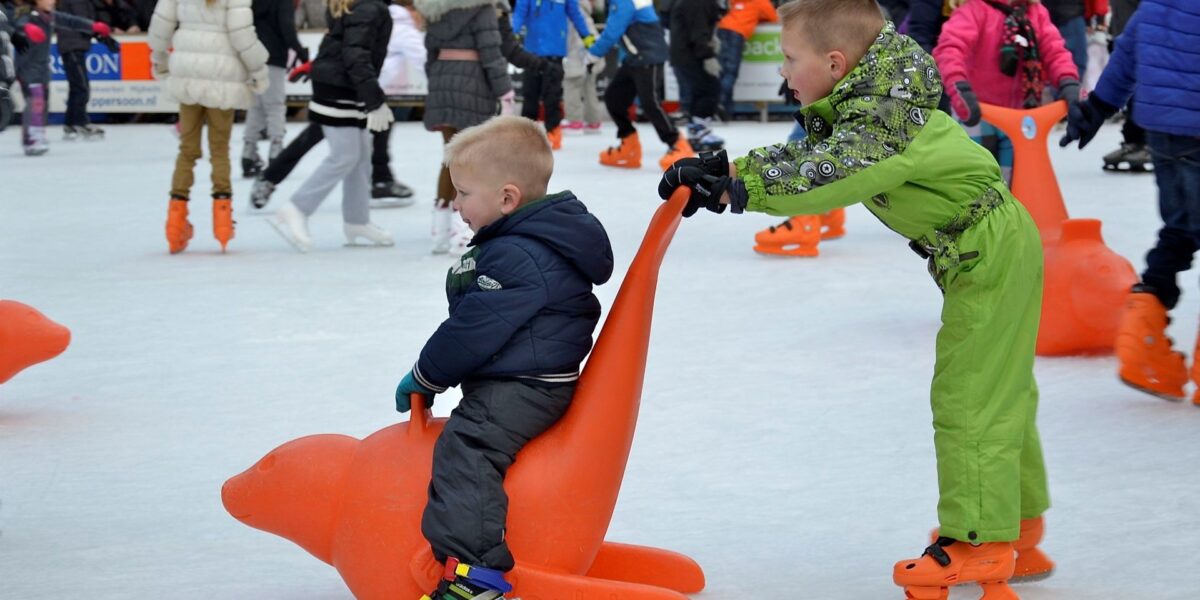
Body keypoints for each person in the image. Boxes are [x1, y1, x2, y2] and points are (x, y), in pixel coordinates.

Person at [658, 0, 1053, 595]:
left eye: (791, 60)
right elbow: (816, 153)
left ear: (836, 63)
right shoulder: (873, 104)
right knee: (1000, 389)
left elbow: (833, 172)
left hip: (988, 252)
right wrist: (724, 166)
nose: (785, 73)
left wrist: (739, 190)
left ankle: (979, 542)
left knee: (970, 394)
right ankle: (1017, 526)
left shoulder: (883, 126)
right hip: (991, 246)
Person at [393, 115, 613, 600]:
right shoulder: (528, 244)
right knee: (468, 437)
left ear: (507, 198)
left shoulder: (518, 255)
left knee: (467, 448)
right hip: (527, 377)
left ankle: (476, 576)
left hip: (525, 385)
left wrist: (425, 376)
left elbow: (473, 330)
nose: (457, 203)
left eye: (464, 193)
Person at [1060, 0, 1200, 403]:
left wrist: (1096, 110)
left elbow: (1126, 57)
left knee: (1180, 230)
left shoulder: (1155, 5)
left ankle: (1142, 341)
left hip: (1165, 134)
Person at [268, 0, 396, 252]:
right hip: (341, 88)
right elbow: (356, 53)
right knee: (345, 156)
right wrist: (375, 100)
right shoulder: (370, 7)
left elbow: (340, 44)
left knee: (360, 158)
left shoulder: (364, 5)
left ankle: (356, 221)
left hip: (346, 85)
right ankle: (296, 208)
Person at [149, 0, 269, 253]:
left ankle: (175, 221)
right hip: (222, 75)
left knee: (187, 149)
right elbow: (242, 35)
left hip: (187, 71)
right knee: (219, 149)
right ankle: (223, 222)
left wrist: (158, 57)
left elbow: (162, 24)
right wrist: (258, 69)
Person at [934, 0, 1080, 185]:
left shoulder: (1035, 12)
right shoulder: (975, 9)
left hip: (1020, 120)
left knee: (1015, 184)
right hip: (979, 114)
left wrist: (1068, 82)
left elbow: (1055, 51)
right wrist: (960, 89)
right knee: (977, 182)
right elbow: (950, 50)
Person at [415, 0, 511, 254]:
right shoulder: (483, 9)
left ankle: (440, 227)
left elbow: (430, 55)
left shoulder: (435, 9)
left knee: (450, 156)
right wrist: (504, 91)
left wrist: (440, 80)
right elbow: (491, 54)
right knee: (470, 161)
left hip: (442, 84)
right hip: (473, 87)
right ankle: (462, 228)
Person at [585, 0, 691, 170]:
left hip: (648, 56)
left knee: (650, 103)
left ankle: (678, 143)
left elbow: (613, 31)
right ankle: (629, 145)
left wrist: (592, 55)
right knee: (614, 98)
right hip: (635, 58)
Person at [12, 0, 110, 154]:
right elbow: (16, 24)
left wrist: (92, 25)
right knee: (36, 102)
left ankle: (37, 135)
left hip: (42, 69)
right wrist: (26, 28)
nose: (52, 1)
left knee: (42, 103)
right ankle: (32, 139)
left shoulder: (50, 16)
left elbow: (71, 21)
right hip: (27, 68)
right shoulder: (27, 14)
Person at [511, 0, 590, 149]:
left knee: (552, 96)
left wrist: (588, 38)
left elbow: (575, 13)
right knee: (530, 95)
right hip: (532, 53)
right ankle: (527, 135)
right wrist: (513, 34)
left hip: (555, 52)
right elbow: (520, 13)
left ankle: (553, 132)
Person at [240, 0, 306, 178]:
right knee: (275, 104)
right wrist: (300, 52)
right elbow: (287, 29)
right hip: (274, 55)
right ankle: (276, 147)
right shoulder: (283, 3)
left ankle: (249, 150)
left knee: (256, 105)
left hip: (252, 56)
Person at [668, 0, 725, 151]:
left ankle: (697, 130)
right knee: (709, 89)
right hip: (691, 55)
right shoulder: (697, 2)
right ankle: (699, 130)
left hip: (685, 53)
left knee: (701, 91)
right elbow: (698, 31)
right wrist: (707, 55)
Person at [1099, 0, 1148, 172]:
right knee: (1130, 96)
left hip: (1140, 39)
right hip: (1121, 35)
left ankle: (1143, 140)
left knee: (1139, 92)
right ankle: (1133, 139)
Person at [715, 0, 776, 121]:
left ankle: (726, 109)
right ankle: (720, 102)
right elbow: (773, 17)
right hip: (737, 32)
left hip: (722, 28)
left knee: (723, 71)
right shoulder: (760, 2)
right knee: (731, 72)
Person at [56, 0, 106, 139]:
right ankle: (80, 122)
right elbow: (81, 20)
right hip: (72, 45)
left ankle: (70, 123)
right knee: (81, 86)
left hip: (73, 44)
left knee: (76, 86)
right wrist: (97, 31)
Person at [561, 0, 602, 135]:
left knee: (571, 86)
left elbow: (572, 36)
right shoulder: (587, 12)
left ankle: (575, 121)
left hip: (577, 55)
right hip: (592, 55)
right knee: (589, 87)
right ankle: (594, 121)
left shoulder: (574, 11)